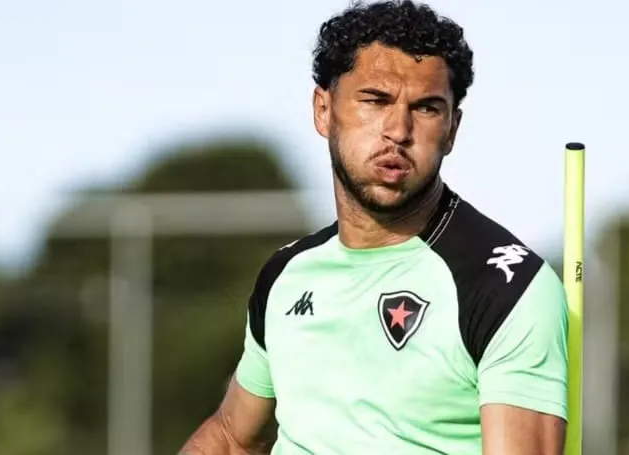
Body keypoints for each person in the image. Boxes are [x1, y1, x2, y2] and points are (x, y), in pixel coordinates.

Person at [180, 1, 569, 453]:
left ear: (451, 129)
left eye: (426, 108)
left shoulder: (506, 287)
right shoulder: (286, 273)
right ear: (323, 110)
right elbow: (232, 437)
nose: (398, 130)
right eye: (375, 100)